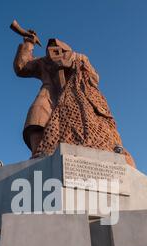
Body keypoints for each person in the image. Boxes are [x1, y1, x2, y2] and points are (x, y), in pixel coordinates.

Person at [14, 34, 135, 167]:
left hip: (77, 94)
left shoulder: (79, 57)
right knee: (37, 113)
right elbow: (22, 67)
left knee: (90, 122)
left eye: (58, 48)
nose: (54, 50)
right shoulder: (44, 61)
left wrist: (70, 63)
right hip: (50, 92)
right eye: (51, 48)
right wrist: (29, 43)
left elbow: (95, 78)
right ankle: (38, 154)